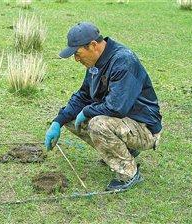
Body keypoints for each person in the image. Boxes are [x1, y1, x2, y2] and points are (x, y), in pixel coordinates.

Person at [44, 22, 162, 191]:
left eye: (77, 54)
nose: (76, 59)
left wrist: (87, 111)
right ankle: (124, 152)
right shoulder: (95, 63)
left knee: (98, 124)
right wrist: (58, 121)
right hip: (123, 123)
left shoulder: (123, 61)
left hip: (145, 128)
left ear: (93, 45)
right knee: (69, 118)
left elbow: (117, 107)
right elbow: (84, 95)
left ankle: (129, 174)